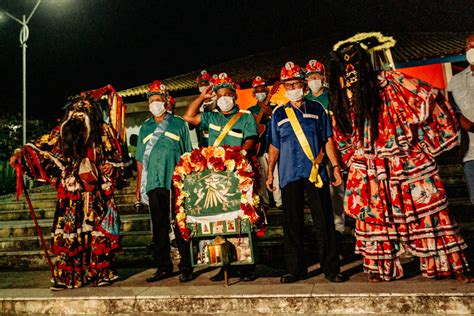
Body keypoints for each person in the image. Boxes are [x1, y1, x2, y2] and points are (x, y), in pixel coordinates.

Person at [329, 33, 471, 283]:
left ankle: (449, 264)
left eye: (355, 64)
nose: (351, 71)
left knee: (429, 209)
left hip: (404, 158)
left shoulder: (391, 81)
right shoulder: (344, 97)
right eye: (345, 66)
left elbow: (425, 96)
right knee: (375, 216)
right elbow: (342, 133)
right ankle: (381, 267)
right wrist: (354, 160)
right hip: (372, 166)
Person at [10, 96, 127, 290]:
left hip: (96, 193)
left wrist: (110, 167)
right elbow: (41, 146)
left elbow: (118, 158)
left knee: (98, 234)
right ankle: (69, 276)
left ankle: (100, 273)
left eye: (84, 109)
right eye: (76, 109)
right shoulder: (62, 132)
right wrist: (20, 154)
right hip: (71, 194)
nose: (79, 113)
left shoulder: (104, 131)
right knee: (69, 234)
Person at [266, 61, 345, 283]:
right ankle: (295, 270)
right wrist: (271, 173)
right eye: (288, 85)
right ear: (284, 87)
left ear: (304, 85)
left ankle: (330, 269)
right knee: (292, 223)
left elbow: (328, 140)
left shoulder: (317, 109)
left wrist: (336, 166)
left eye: (296, 84)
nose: (293, 88)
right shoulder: (278, 113)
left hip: (316, 173)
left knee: (324, 221)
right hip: (289, 173)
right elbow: (274, 146)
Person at [183, 72, 258, 281]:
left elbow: (251, 138)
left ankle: (247, 264)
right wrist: (202, 97)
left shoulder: (245, 116)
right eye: (220, 95)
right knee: (220, 219)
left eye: (227, 94)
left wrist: (241, 154)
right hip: (215, 176)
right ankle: (225, 265)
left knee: (242, 218)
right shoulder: (210, 117)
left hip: (238, 172)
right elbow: (189, 117)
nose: (224, 98)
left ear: (234, 96)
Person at [135, 80, 194, 283]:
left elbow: (188, 154)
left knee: (179, 224)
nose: (155, 104)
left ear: (166, 102)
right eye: (151, 101)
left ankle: (186, 266)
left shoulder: (178, 124)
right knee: (158, 227)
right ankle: (163, 267)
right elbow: (140, 162)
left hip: (175, 182)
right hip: (153, 183)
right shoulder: (144, 128)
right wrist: (138, 190)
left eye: (158, 100)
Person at [304, 60, 345, 234]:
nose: (314, 79)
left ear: (323, 77)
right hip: (312, 152)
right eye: (310, 77)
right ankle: (321, 226)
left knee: (336, 189)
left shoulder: (333, 97)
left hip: (333, 148)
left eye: (316, 75)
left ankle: (339, 227)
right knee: (316, 190)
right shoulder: (304, 100)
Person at [248, 76, 282, 209]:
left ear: (268, 92)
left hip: (274, 145)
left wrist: (271, 113)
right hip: (258, 149)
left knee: (276, 175)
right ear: (254, 93)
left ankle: (279, 202)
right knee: (261, 177)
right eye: (257, 91)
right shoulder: (250, 111)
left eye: (262, 90)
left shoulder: (277, 108)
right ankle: (265, 203)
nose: (260, 93)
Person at [448, 34, 474, 205]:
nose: (471, 50)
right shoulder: (455, 81)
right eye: (468, 47)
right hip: (470, 154)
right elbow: (451, 112)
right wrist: (458, 119)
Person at [194, 70, 217, 147]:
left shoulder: (218, 102)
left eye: (205, 84)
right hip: (202, 143)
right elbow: (191, 126)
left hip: (216, 142)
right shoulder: (197, 104)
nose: (203, 87)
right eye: (201, 84)